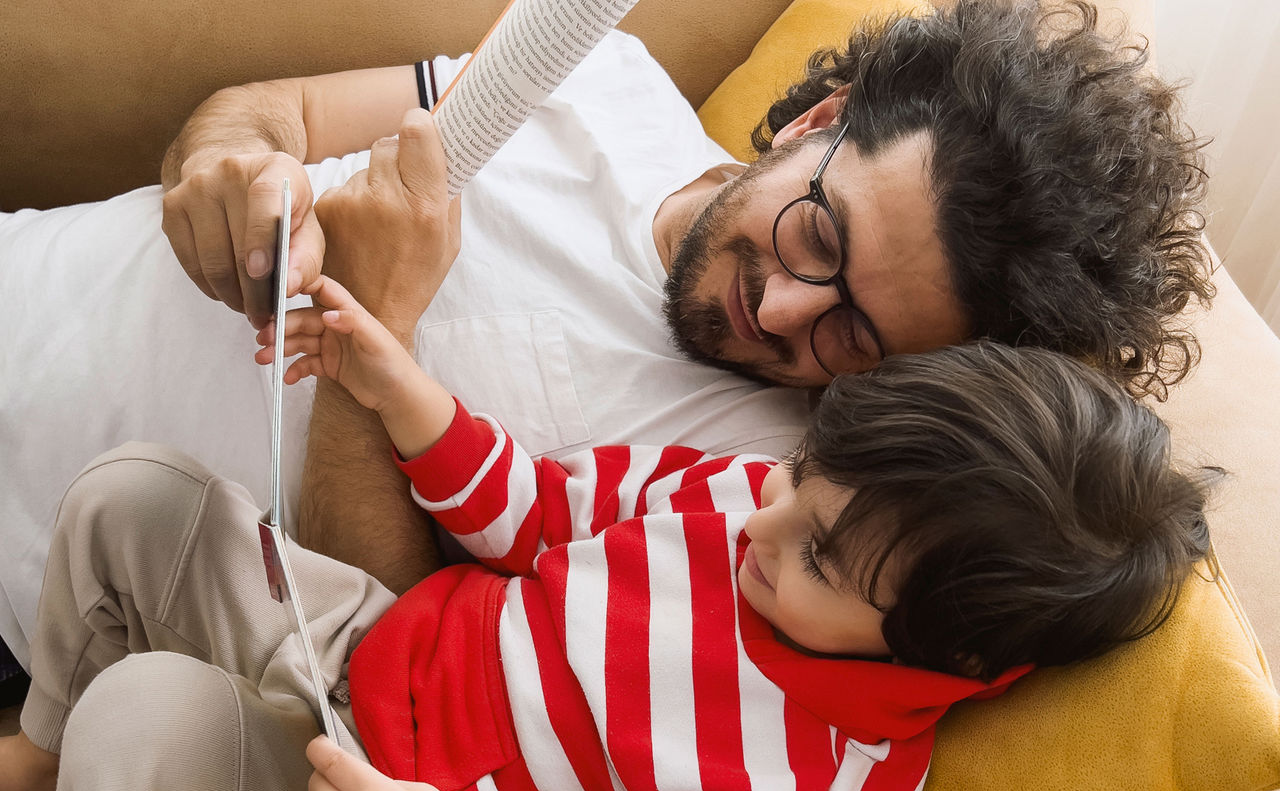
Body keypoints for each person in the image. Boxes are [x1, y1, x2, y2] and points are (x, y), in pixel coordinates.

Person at [0, 0, 1211, 661]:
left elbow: (378, 640)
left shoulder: (743, 489)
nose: (784, 312)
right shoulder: (601, 80)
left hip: (38, 593)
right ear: (817, 120)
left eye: (856, 336)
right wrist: (223, 167)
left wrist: (390, 330)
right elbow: (276, 110)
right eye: (818, 239)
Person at [0, 273, 1217, 791]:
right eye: (803, 477)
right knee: (136, 494)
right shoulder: (746, 497)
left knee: (149, 715)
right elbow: (531, 510)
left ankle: (105, 753)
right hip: (361, 648)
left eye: (820, 559)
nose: (764, 523)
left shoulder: (811, 787)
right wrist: (396, 386)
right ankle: (48, 760)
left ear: (942, 660)